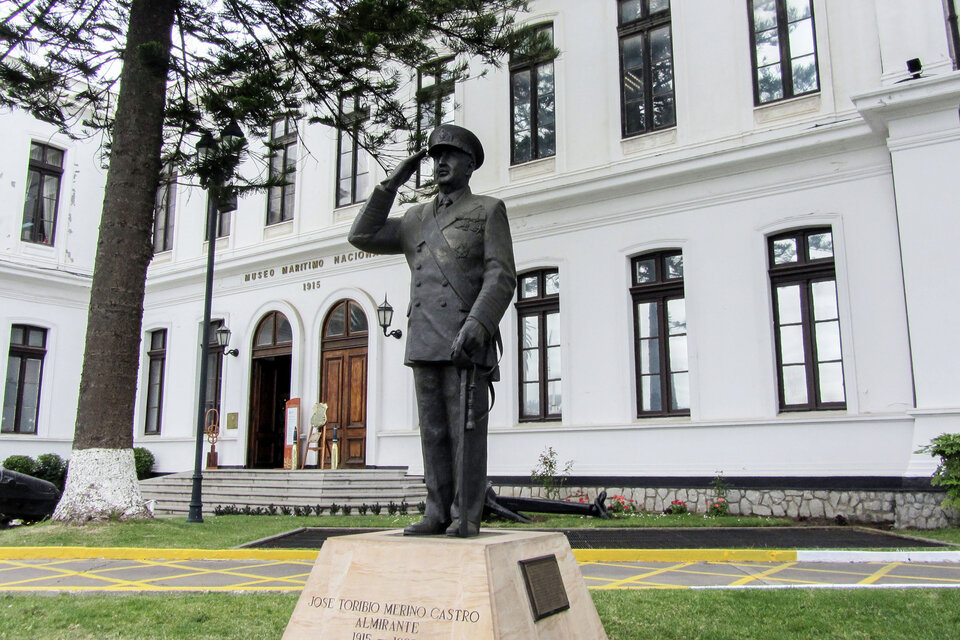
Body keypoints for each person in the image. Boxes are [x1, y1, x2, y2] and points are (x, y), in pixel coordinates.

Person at [348, 125, 516, 537]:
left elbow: (501, 274)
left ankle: (465, 515)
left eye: (450, 155)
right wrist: (391, 184)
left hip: (463, 338)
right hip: (424, 336)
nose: (440, 162)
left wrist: (479, 323)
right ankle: (436, 509)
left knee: (465, 433)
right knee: (434, 431)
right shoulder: (414, 218)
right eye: (435, 155)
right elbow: (361, 235)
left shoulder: (487, 210)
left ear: (470, 164)